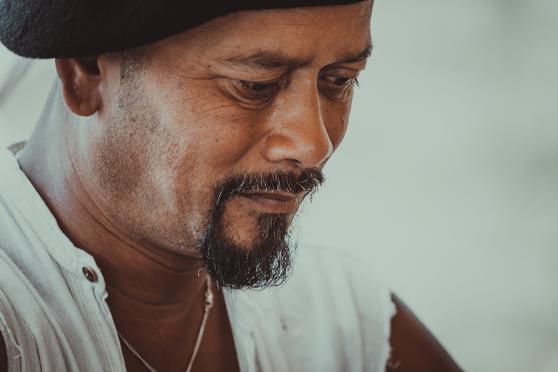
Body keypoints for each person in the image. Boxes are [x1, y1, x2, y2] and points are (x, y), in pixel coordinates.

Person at [0, 0, 462, 371]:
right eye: (254, 85)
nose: (313, 143)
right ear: (86, 72)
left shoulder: (344, 331)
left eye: (339, 81)